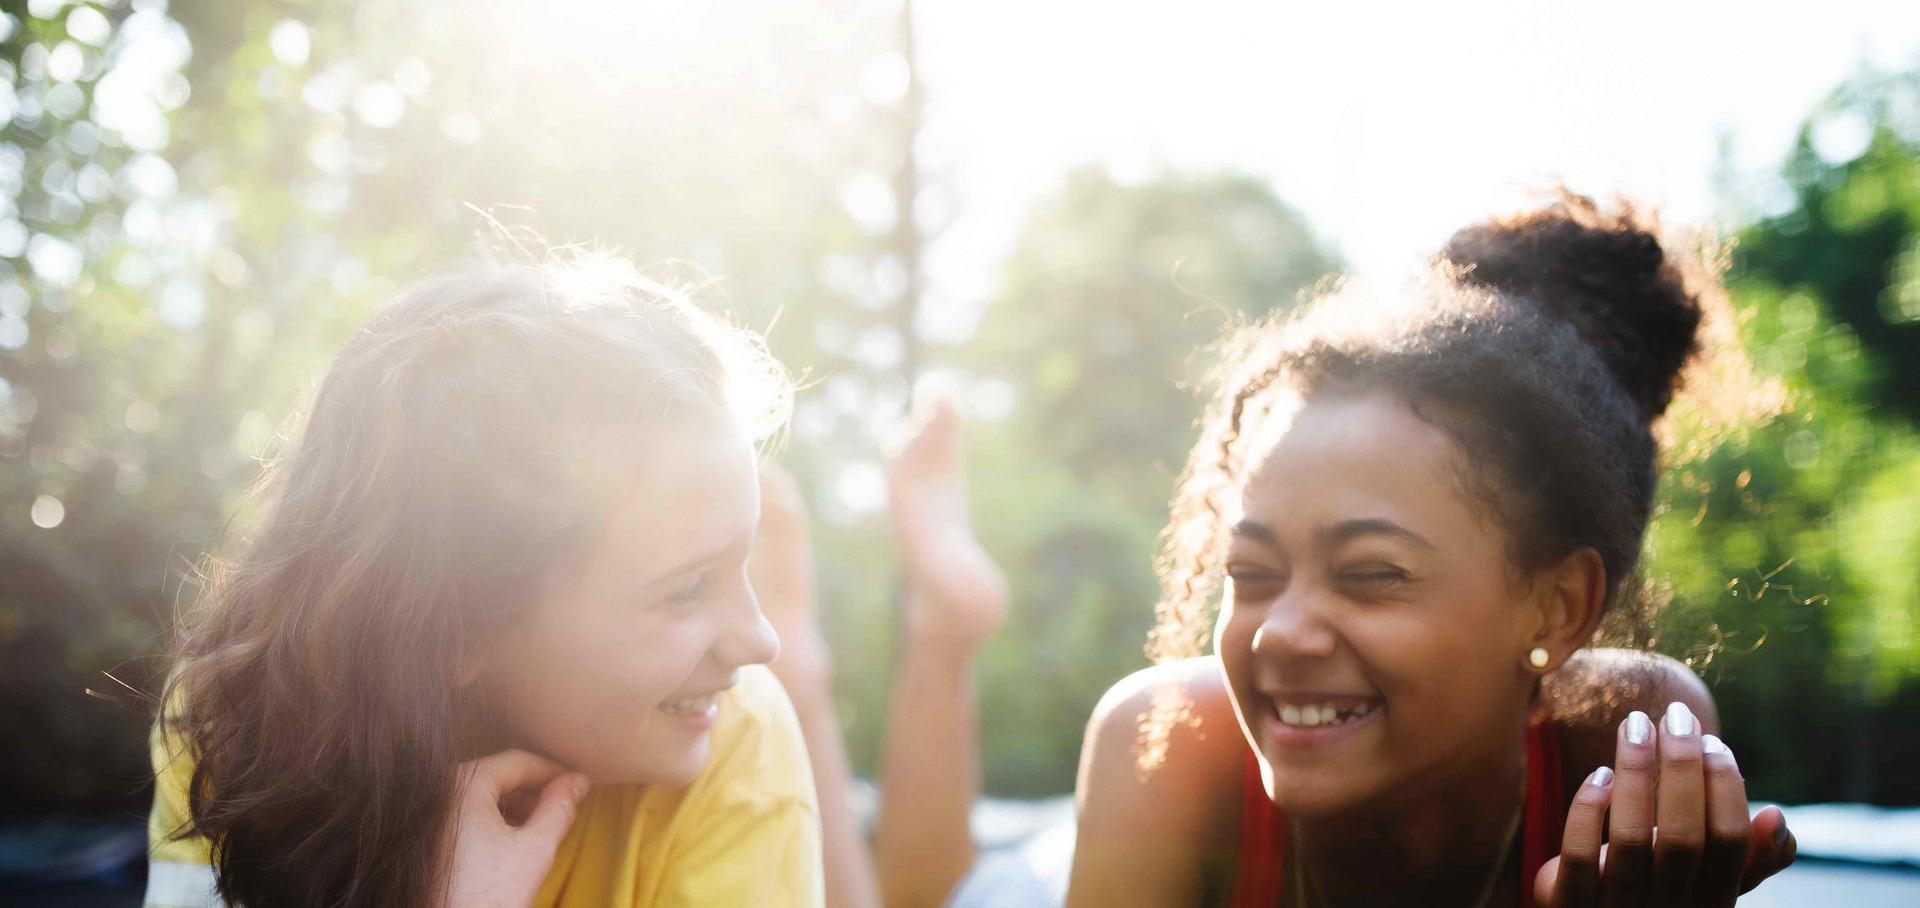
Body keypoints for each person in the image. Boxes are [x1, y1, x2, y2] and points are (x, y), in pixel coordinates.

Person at [1066, 191, 1800, 907]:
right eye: (1249, 572)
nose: (1279, 631)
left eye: (1370, 574)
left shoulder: (1628, 742)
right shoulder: (1168, 744)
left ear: (1557, 608)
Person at [145, 255, 823, 908]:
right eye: (687, 589)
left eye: (744, 559)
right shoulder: (236, 727)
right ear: (458, 628)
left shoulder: (738, 744)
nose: (759, 642)